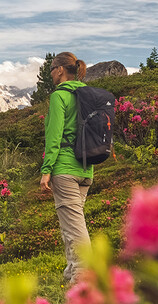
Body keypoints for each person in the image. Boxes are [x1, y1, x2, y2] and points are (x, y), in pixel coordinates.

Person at [39, 52, 94, 283]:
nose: (50, 73)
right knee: (71, 225)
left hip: (65, 168)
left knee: (74, 229)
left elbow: (54, 136)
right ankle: (71, 272)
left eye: (52, 68)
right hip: (86, 168)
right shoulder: (85, 94)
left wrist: (46, 170)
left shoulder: (59, 96)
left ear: (61, 70)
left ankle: (84, 280)